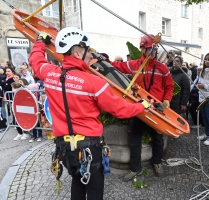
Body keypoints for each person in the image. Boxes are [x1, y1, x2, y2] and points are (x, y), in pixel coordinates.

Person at [29, 27, 148, 200]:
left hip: (65, 147)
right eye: (88, 52)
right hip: (89, 148)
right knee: (94, 191)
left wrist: (40, 41)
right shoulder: (94, 83)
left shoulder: (50, 74)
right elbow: (121, 110)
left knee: (77, 182)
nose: (91, 55)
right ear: (77, 53)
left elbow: (36, 60)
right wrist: (141, 106)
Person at [111, 34, 174, 182]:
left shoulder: (163, 68)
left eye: (154, 49)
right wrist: (100, 59)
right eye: (150, 49)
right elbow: (116, 66)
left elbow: (169, 87)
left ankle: (157, 163)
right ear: (143, 49)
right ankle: (136, 168)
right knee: (134, 139)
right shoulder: (134, 65)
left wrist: (165, 102)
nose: (153, 52)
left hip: (156, 110)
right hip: (139, 109)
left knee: (158, 138)